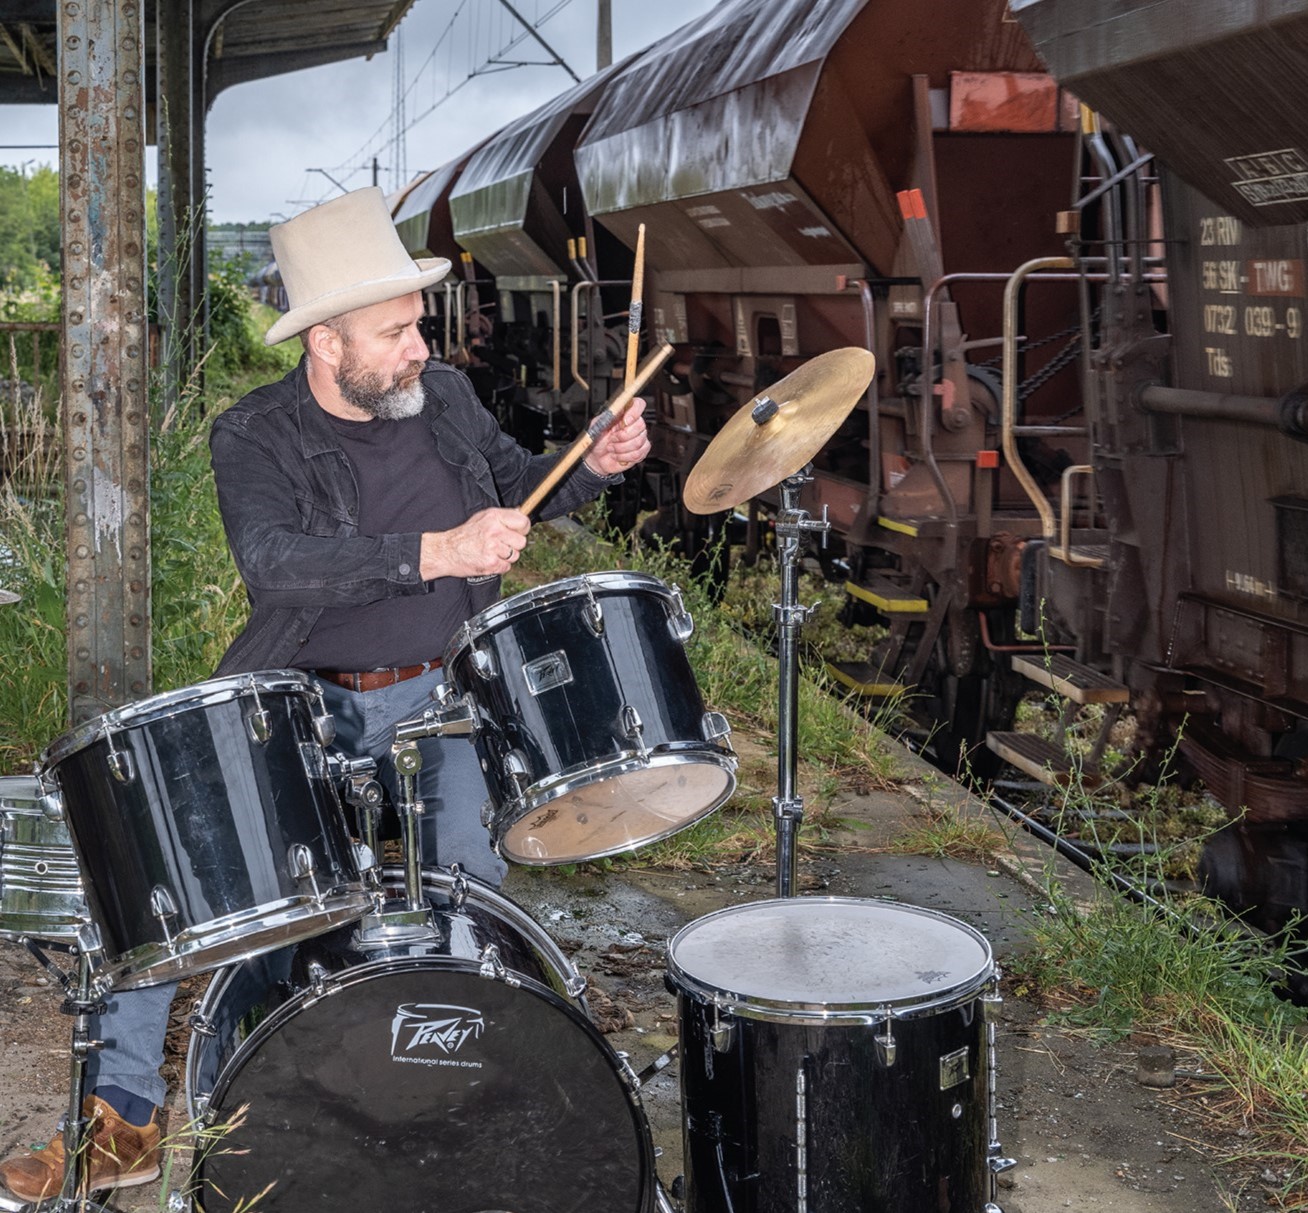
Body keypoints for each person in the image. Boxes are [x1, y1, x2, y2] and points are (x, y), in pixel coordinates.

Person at [0, 186, 649, 1202]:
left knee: (472, 912)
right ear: (325, 343)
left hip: (447, 699)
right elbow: (277, 564)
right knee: (168, 875)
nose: (419, 345)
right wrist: (435, 550)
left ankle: (474, 1101)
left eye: (418, 323)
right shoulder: (252, 434)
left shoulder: (447, 400)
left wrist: (596, 465)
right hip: (297, 705)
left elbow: (525, 483)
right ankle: (119, 1121)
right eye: (395, 330)